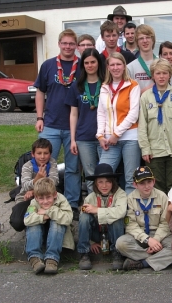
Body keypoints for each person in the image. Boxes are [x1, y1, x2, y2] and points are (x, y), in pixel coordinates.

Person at [34, 28, 81, 220]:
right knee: (44, 165)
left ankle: (72, 204)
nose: (68, 47)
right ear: (59, 44)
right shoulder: (48, 65)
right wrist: (39, 117)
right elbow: (40, 92)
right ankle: (44, 200)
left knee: (72, 168)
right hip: (51, 124)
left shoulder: (82, 66)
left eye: (71, 43)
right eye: (65, 43)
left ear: (76, 46)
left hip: (74, 127)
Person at [138, 58, 172, 192]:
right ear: (153, 75)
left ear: (170, 75)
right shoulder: (145, 97)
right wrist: (145, 148)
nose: (161, 77)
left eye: (165, 73)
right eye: (158, 73)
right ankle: (160, 212)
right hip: (154, 151)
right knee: (156, 186)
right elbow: (142, 125)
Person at [116, 166, 172, 271]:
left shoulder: (162, 196)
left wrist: (156, 240)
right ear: (135, 184)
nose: (146, 186)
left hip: (159, 235)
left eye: (149, 182)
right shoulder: (130, 199)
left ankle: (142, 263)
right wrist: (147, 240)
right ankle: (156, 257)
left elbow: (165, 223)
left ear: (154, 181)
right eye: (142, 183)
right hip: (139, 236)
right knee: (121, 243)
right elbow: (130, 225)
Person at [96, 52, 141, 195]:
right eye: (112, 64)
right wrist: (100, 135)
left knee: (130, 179)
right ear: (108, 67)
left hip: (130, 138)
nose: (115, 67)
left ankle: (130, 214)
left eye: (118, 64)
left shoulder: (133, 85)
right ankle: (106, 211)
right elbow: (101, 112)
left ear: (124, 66)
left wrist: (117, 134)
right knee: (103, 176)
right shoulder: (104, 87)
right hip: (109, 139)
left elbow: (133, 114)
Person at [65, 48, 105, 193]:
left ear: (98, 63)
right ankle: (91, 207)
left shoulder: (107, 84)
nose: (90, 65)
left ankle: (106, 209)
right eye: (86, 63)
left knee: (106, 174)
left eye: (93, 62)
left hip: (104, 137)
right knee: (90, 175)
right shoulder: (77, 86)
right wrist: (73, 139)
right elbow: (73, 114)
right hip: (84, 138)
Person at [77, 163, 127, 271]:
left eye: (108, 181)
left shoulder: (121, 194)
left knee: (117, 218)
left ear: (113, 182)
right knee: (84, 217)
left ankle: (117, 253)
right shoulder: (90, 198)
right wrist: (91, 242)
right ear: (95, 183)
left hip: (113, 233)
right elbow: (82, 220)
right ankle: (84, 253)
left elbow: (121, 212)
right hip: (97, 234)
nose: (104, 186)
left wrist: (97, 210)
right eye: (100, 182)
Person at [24, 177, 74, 274]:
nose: (45, 201)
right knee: (33, 224)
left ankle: (52, 259)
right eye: (41, 198)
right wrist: (43, 217)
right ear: (36, 197)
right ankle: (35, 258)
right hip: (41, 232)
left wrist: (49, 211)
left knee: (58, 222)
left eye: (48, 197)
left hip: (57, 233)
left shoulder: (62, 199)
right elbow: (27, 219)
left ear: (54, 195)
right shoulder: (33, 203)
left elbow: (68, 218)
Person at [15, 138, 59, 204]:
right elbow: (25, 185)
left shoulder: (52, 163)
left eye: (46, 153)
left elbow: (54, 182)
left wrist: (34, 191)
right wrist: (36, 179)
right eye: (39, 153)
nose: (42, 156)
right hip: (27, 195)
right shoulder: (27, 166)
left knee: (58, 205)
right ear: (33, 154)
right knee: (20, 209)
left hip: (47, 195)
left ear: (50, 154)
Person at [127, 24, 158, 94]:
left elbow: (171, 90)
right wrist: (147, 90)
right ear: (137, 42)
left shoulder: (164, 64)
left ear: (153, 40)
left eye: (148, 37)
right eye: (141, 38)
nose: (145, 41)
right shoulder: (130, 68)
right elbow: (128, 95)